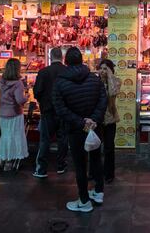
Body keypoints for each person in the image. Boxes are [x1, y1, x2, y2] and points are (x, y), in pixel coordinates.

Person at [53, 47, 107, 213]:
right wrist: (93, 120)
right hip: (94, 127)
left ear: (65, 62)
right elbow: (102, 101)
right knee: (96, 159)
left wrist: (80, 122)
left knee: (80, 165)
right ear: (82, 60)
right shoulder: (94, 79)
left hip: (75, 130)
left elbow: (60, 108)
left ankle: (84, 201)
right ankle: (98, 192)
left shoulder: (60, 82)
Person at [33, 47, 68, 178]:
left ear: (50, 56)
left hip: (47, 111)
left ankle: (42, 169)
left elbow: (37, 92)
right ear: (62, 57)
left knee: (45, 140)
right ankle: (61, 165)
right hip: (63, 112)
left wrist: (43, 101)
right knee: (62, 139)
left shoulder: (43, 72)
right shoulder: (67, 71)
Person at [0, 58, 29, 171]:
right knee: (14, 136)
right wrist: (27, 98)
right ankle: (9, 162)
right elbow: (20, 100)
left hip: (2, 113)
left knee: (5, 135)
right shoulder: (18, 83)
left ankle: (2, 159)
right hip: (14, 113)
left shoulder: (1, 81)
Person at [96, 59, 121, 183]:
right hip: (97, 119)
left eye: (106, 69)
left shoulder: (116, 81)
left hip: (110, 119)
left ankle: (109, 174)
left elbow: (113, 92)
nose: (102, 71)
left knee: (109, 147)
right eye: (101, 68)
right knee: (94, 147)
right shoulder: (95, 82)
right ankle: (94, 173)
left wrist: (109, 77)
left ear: (111, 70)